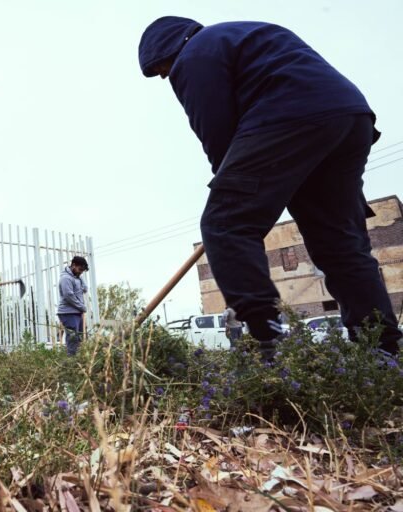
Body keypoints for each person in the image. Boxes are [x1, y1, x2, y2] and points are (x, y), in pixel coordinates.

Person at [138, 17, 402, 358]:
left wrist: (234, 191)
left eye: (159, 69)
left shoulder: (193, 55)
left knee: (225, 223)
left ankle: (268, 339)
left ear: (167, 50)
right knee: (339, 243)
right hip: (350, 118)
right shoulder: (244, 34)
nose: (164, 76)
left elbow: (217, 132)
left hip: (288, 115)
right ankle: (383, 352)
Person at [57, 256, 89, 355]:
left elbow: (85, 289)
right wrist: (82, 307)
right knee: (73, 338)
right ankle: (71, 360)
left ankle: (78, 359)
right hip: (68, 313)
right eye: (80, 269)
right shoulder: (66, 278)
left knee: (80, 338)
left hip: (76, 312)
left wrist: (80, 277)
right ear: (73, 265)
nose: (81, 272)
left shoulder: (77, 277)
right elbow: (69, 296)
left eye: (82, 271)